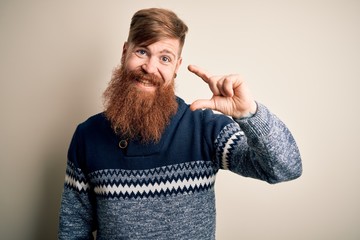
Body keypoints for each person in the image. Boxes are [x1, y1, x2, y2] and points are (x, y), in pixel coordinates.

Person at [58, 8, 302, 240]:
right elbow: (73, 229)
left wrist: (249, 113)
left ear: (176, 67)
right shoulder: (87, 136)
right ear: (125, 52)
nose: (150, 68)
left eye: (165, 58)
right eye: (142, 51)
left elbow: (284, 168)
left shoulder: (205, 129)